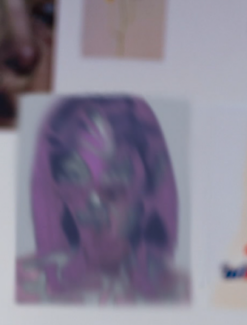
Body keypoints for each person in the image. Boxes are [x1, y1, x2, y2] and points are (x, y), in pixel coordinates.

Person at [16, 96, 190, 305]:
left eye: (113, 184)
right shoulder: (24, 285)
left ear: (149, 187)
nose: (94, 201)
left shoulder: (178, 294)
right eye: (75, 178)